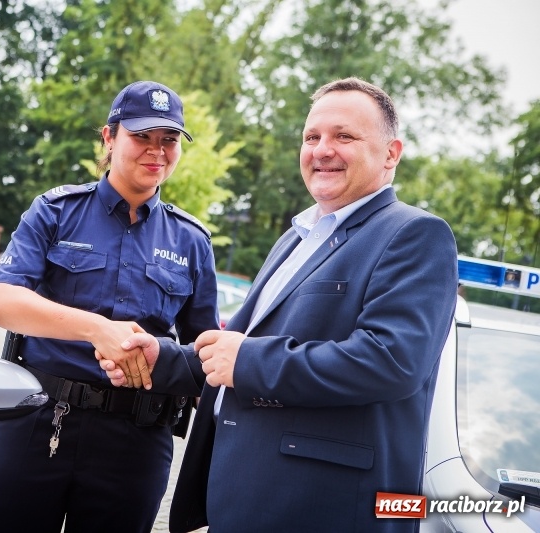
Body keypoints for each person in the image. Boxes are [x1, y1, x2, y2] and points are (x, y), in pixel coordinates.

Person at [102, 77, 459, 532]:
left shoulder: (414, 234)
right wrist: (164, 359)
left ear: (391, 153)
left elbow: (391, 361)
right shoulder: (297, 236)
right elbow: (240, 347)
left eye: (344, 136)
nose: (322, 149)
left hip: (321, 510)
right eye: (312, 137)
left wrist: (248, 359)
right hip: (245, 498)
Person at [0, 80, 219, 533]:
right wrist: (97, 329)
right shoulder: (54, 211)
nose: (157, 151)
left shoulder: (192, 242)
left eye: (168, 140)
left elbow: (205, 354)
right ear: (109, 137)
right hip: (36, 424)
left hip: (136, 443)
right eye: (141, 137)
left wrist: (163, 358)